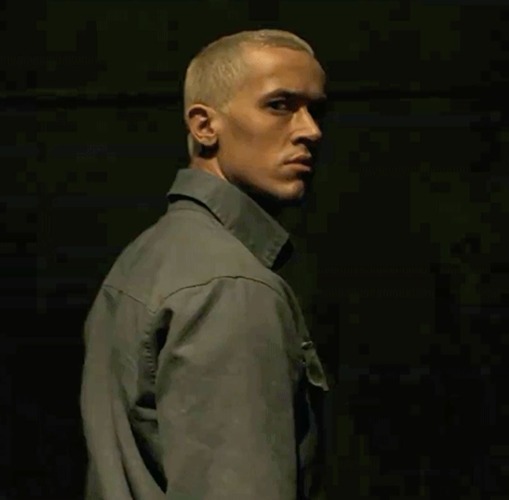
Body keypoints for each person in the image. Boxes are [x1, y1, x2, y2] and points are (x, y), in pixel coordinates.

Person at [80, 29, 330, 500]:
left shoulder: (148, 256)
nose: (310, 130)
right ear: (204, 125)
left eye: (316, 110)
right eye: (280, 105)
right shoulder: (231, 287)